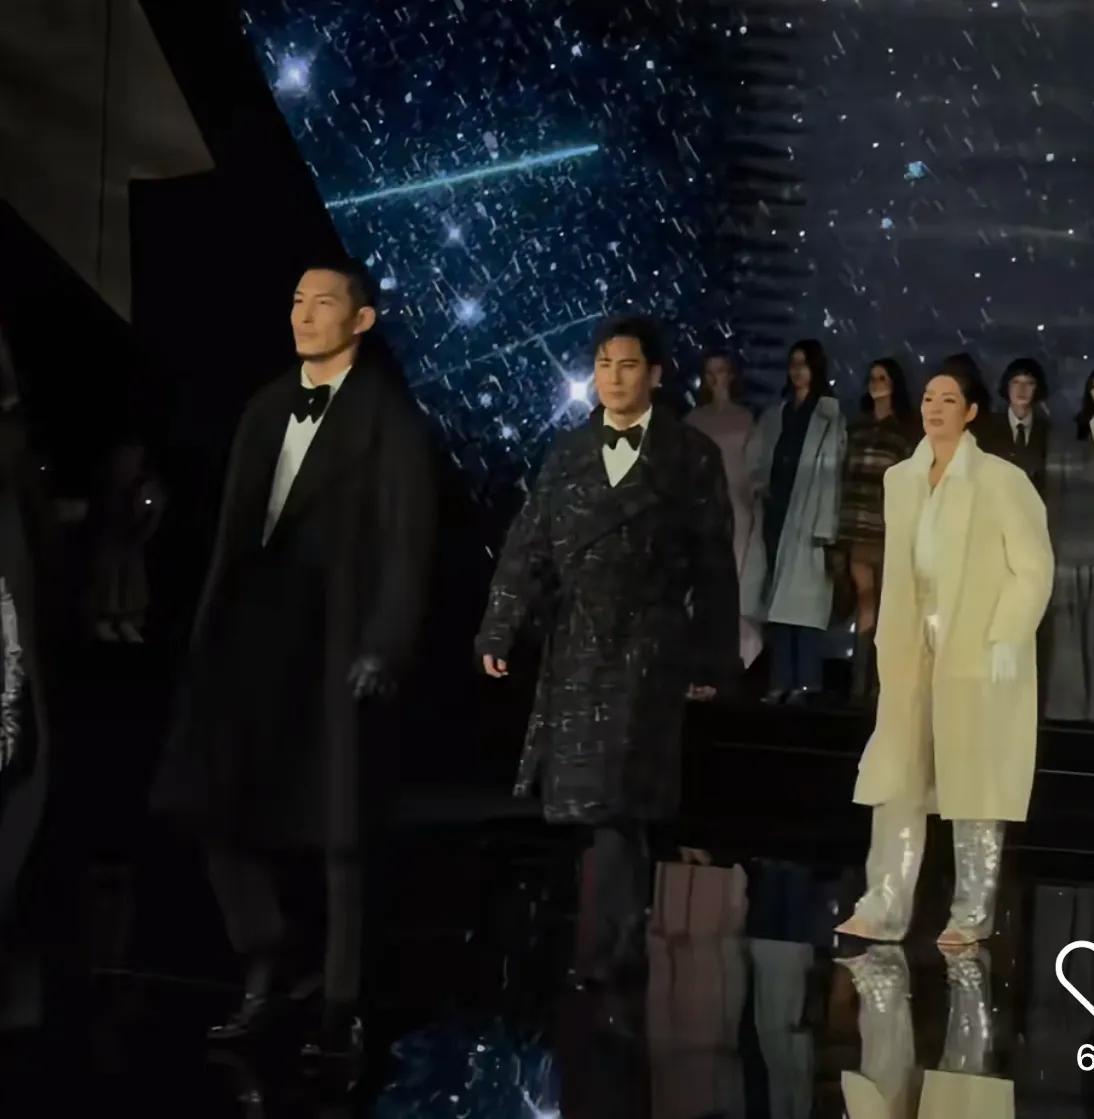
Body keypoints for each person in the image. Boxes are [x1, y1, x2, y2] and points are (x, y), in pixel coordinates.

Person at [153, 257, 435, 1057]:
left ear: (362, 319)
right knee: (212, 802)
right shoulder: (265, 406)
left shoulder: (387, 419)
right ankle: (265, 957)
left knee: (341, 830)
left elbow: (407, 543)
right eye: (297, 301)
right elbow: (231, 532)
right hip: (249, 638)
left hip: (335, 640)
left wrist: (384, 642)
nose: (305, 314)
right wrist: (208, 626)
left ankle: (342, 1002)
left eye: (323, 302)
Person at [476, 315, 739, 988]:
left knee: (618, 798)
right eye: (603, 365)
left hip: (648, 645)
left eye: (627, 365)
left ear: (655, 374)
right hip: (579, 645)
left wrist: (712, 657)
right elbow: (529, 543)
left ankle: (605, 953)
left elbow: (714, 564)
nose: (613, 378)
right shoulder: (569, 452)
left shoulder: (689, 456)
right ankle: (612, 949)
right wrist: (499, 626)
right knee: (596, 805)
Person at [836, 365, 1053, 946]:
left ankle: (971, 913)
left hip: (975, 645)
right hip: (914, 644)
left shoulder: (1000, 480)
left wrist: (1007, 634)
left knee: (974, 776)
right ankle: (883, 904)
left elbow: (1033, 566)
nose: (934, 407)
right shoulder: (902, 479)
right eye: (929, 397)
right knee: (897, 770)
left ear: (971, 412)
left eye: (949, 399)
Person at [740, 339, 845, 705]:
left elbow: (833, 474)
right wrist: (759, 484)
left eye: (804, 363)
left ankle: (806, 683)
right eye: (793, 363)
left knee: (804, 606)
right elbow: (756, 458)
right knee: (779, 605)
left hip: (809, 517)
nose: (798, 370)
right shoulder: (777, 414)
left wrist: (827, 528)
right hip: (776, 513)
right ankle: (780, 680)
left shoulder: (828, 415)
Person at [837, 359, 918, 703]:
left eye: (882, 378)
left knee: (887, 608)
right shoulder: (856, 429)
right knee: (866, 602)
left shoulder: (904, 433)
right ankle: (860, 684)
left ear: (894, 383)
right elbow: (844, 476)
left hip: (889, 530)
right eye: (872, 378)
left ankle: (880, 685)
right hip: (857, 526)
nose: (876, 383)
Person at [685, 349, 763, 667]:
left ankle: (740, 660)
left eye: (721, 370)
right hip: (702, 512)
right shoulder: (693, 421)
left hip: (739, 510)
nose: (715, 378)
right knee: (703, 583)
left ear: (731, 375)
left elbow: (755, 468)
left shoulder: (746, 419)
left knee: (738, 582)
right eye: (710, 372)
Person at [1043, 369, 1094, 721]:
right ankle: (1067, 713)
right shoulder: (1065, 438)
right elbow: (1053, 499)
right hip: (1068, 551)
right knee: (1066, 637)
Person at [87, 443, 166, 643]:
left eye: (134, 458)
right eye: (125, 458)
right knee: (110, 591)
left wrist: (150, 515)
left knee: (128, 593)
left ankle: (125, 624)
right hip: (112, 551)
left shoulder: (143, 487)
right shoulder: (109, 490)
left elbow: (144, 526)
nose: (129, 463)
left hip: (129, 553)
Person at [977, 357, 1051, 493]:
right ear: (1007, 386)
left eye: (1029, 383)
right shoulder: (985, 429)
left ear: (1038, 388)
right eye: (1015, 382)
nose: (1021, 389)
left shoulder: (1048, 431)